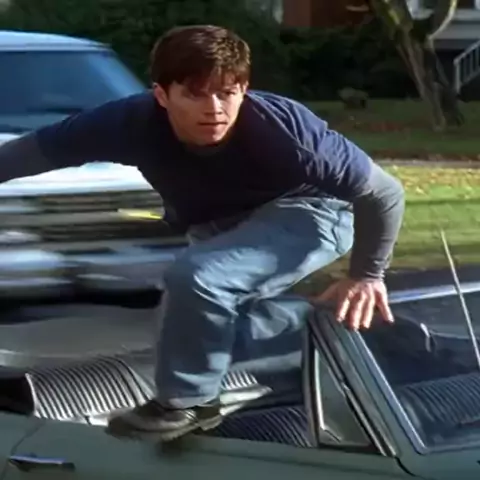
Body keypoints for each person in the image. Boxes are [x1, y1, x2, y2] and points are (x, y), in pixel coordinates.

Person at [0, 24, 404, 442]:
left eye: (227, 93)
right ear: (162, 95)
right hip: (217, 222)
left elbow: (384, 192)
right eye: (195, 95)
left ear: (243, 89)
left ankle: (188, 404)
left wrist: (366, 275)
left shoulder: (286, 132)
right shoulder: (127, 122)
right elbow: (32, 152)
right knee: (192, 321)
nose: (214, 109)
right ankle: (323, 325)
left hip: (309, 211)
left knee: (199, 277)